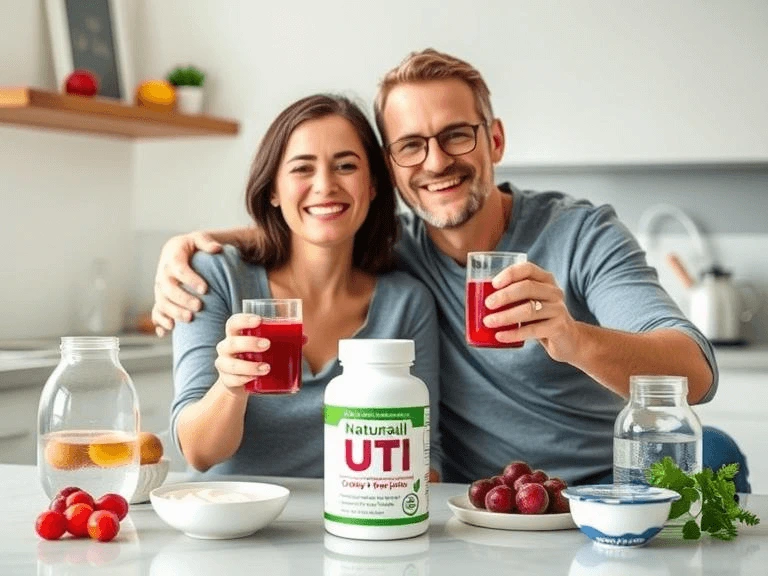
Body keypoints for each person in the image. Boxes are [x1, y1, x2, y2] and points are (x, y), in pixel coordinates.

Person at [153, 50, 750, 491]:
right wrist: (190, 246)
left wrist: (571, 338)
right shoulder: (399, 252)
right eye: (412, 144)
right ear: (391, 167)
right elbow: (321, 225)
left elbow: (694, 374)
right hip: (481, 504)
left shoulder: (580, 235)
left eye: (456, 136)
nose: (436, 161)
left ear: (494, 139)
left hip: (600, 494)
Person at [169, 94, 442, 478]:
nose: (325, 185)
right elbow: (198, 453)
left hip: (356, 528)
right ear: (274, 190)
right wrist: (231, 388)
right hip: (239, 530)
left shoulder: (406, 304)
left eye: (346, 166)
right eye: (302, 169)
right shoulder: (216, 277)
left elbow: (426, 457)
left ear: (374, 184)